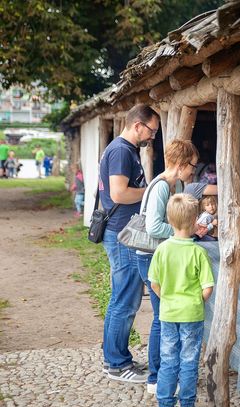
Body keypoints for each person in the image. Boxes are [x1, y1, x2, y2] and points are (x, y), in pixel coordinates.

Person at [100, 103, 159, 384]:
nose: (152, 137)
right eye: (151, 131)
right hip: (121, 234)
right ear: (138, 125)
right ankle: (116, 363)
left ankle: (116, 357)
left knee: (125, 298)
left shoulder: (126, 150)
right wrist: (150, 192)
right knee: (124, 300)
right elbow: (119, 194)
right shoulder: (122, 151)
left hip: (125, 232)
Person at [136, 138, 200, 394]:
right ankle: (156, 378)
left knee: (163, 317)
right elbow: (153, 227)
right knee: (162, 319)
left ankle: (163, 375)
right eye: (192, 166)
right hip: (150, 256)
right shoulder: (163, 186)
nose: (193, 170)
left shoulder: (168, 185)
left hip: (154, 256)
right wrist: (183, 230)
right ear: (182, 164)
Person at [149, 193, 214, 407]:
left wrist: (166, 298)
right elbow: (208, 288)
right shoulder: (199, 252)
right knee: (188, 361)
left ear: (169, 220)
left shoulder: (162, 250)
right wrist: (196, 301)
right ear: (196, 219)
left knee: (168, 360)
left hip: (168, 313)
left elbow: (154, 282)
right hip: (192, 315)